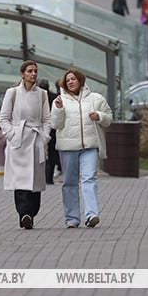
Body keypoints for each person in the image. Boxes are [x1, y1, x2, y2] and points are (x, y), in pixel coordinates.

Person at [51, 69, 113, 228]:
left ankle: (92, 215)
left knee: (89, 178)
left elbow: (108, 119)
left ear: (80, 80)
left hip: (90, 146)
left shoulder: (96, 98)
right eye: (67, 81)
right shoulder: (60, 100)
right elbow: (55, 124)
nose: (70, 82)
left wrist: (99, 116)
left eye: (73, 79)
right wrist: (58, 109)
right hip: (68, 148)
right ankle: (72, 218)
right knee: (69, 182)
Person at [0, 60, 51, 230]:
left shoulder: (42, 94)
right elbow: (3, 118)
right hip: (19, 140)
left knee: (35, 180)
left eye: (35, 71)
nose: (33, 74)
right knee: (20, 180)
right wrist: (12, 135)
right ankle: (24, 213)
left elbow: (47, 119)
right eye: (29, 71)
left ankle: (32, 213)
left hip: (36, 140)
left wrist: (44, 137)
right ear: (22, 74)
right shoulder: (12, 93)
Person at [37, 78, 61, 185]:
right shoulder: (54, 97)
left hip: (39, 127)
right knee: (52, 154)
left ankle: (40, 176)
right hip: (53, 129)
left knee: (39, 153)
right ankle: (49, 178)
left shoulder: (37, 97)